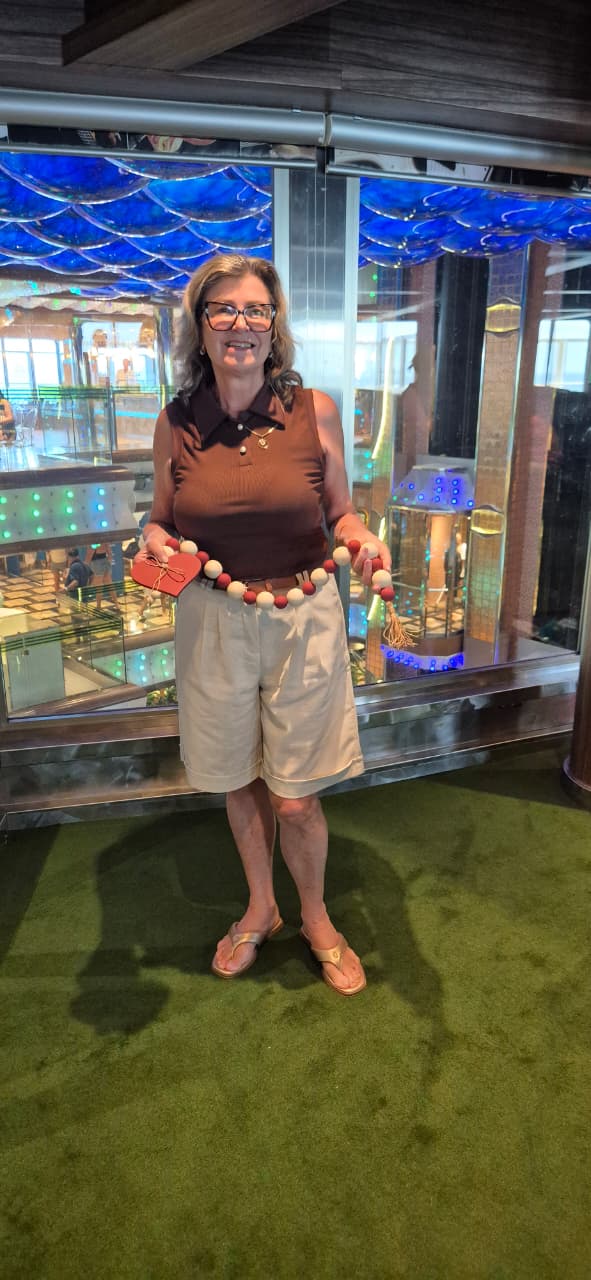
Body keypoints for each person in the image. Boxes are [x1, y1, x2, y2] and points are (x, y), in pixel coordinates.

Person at [138, 254, 391, 996]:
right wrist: (154, 544)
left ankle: (315, 915)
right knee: (239, 778)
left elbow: (341, 512)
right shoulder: (175, 422)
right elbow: (159, 521)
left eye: (255, 309)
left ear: (273, 325)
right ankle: (261, 907)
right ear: (200, 326)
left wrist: (360, 541)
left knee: (296, 797)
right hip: (212, 618)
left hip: (303, 615)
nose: (240, 324)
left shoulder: (315, 410)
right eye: (223, 309)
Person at [85, 542, 119, 609]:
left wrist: (86, 564)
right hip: (105, 560)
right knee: (109, 584)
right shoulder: (103, 538)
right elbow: (109, 552)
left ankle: (98, 606)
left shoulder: (93, 540)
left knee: (98, 586)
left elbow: (90, 553)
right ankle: (116, 604)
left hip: (96, 562)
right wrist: (109, 561)